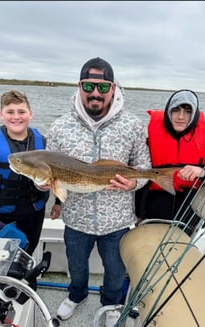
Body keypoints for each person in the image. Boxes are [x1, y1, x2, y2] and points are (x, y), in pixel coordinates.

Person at [44, 57, 151, 327]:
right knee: (77, 267)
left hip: (117, 221)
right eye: (89, 86)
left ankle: (111, 303)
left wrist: (134, 184)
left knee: (115, 272)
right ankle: (77, 295)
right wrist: (42, 184)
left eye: (102, 87)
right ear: (79, 86)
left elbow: (144, 167)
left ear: (113, 88)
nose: (95, 93)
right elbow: (46, 170)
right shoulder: (59, 126)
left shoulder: (133, 125)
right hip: (76, 220)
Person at [135, 89, 205, 236]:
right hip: (152, 208)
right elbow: (135, 169)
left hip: (188, 211)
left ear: (194, 115)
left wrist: (203, 171)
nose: (181, 116)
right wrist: (138, 214)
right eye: (176, 110)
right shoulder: (149, 136)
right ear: (168, 112)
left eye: (187, 111)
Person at [0, 89, 50, 256]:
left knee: (27, 253)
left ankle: (25, 281)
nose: (16, 117)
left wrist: (58, 204)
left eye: (21, 112)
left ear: (30, 114)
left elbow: (60, 174)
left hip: (34, 213)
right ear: (1, 114)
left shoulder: (44, 143)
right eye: (10, 112)